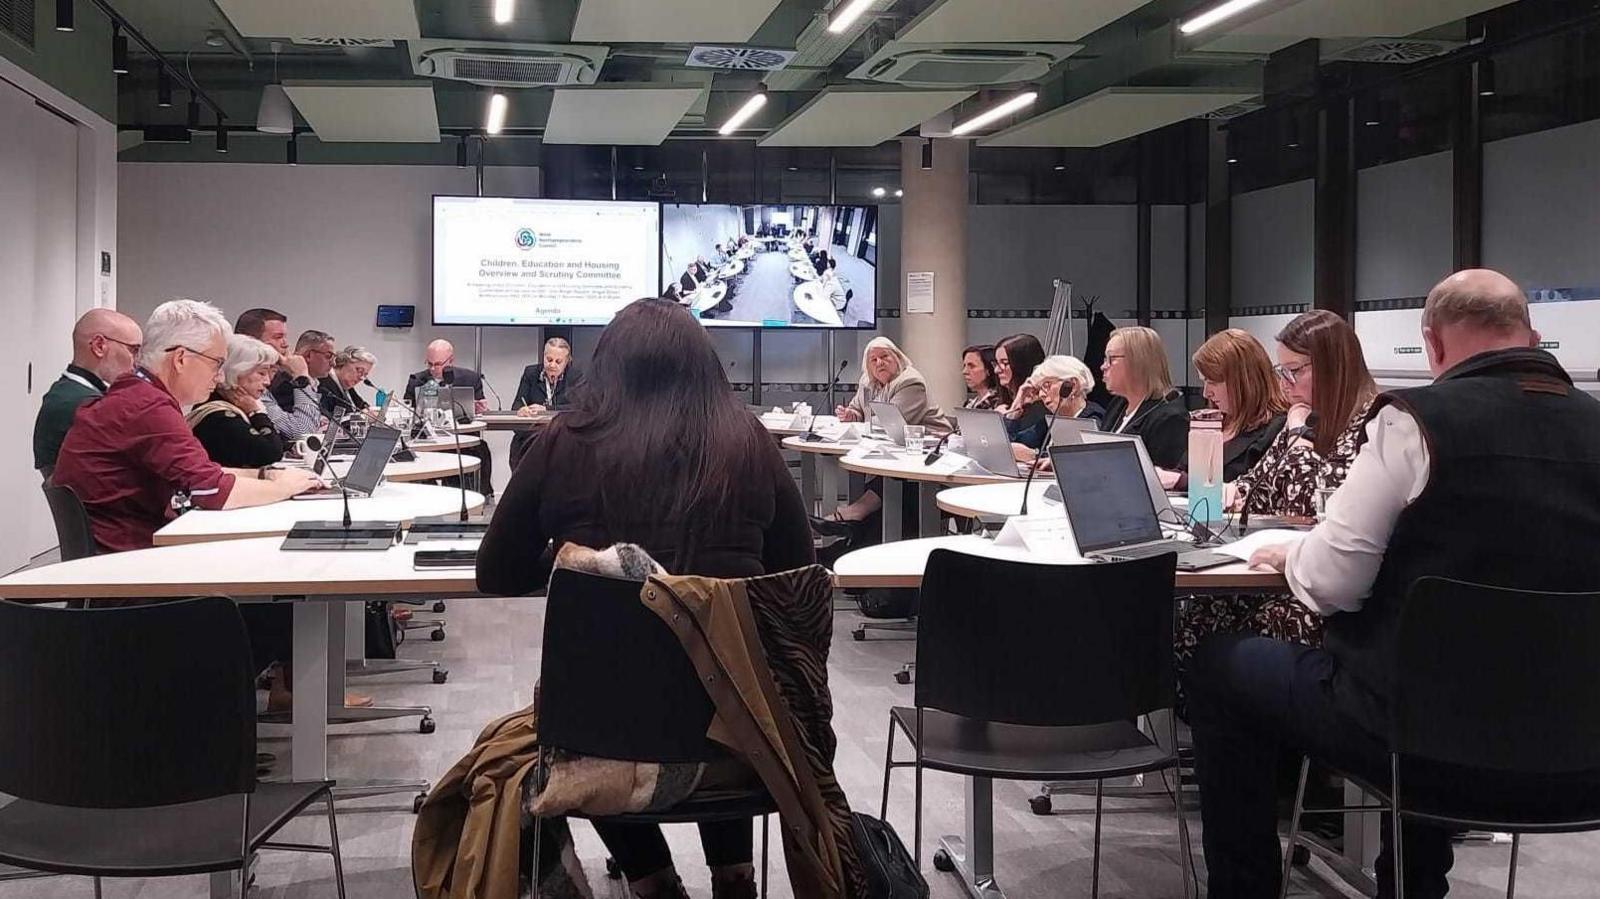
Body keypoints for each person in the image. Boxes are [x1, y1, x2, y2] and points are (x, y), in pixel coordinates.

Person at [1185, 269, 1600, 899]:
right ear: (1533, 334)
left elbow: (1331, 585)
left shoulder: (1414, 421)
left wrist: (1291, 555)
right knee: (1447, 660)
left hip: (1419, 746)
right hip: (1579, 753)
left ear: (1431, 343)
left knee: (1223, 664)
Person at [477, 298, 813, 899]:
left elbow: (496, 571)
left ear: (603, 367)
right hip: (741, 730)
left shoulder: (562, 442)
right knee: (719, 660)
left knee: (586, 698)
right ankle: (734, 876)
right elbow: (796, 574)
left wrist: (575, 561)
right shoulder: (749, 442)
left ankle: (650, 877)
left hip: (599, 733)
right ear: (705, 365)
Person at [52, 299, 318, 553]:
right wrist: (288, 487)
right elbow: (212, 491)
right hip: (132, 570)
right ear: (180, 358)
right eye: (217, 363)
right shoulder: (147, 405)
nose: (221, 376)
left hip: (127, 553)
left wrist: (264, 476)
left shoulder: (136, 394)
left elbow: (204, 474)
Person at [1229, 310, 1378, 521]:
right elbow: (1257, 486)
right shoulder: (1308, 414)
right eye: (1281, 372)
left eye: (1293, 370)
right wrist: (1235, 492)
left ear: (1331, 368)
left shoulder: (1372, 425)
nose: (1284, 385)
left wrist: (1299, 437)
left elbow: (1312, 510)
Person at [821, 337, 950, 527]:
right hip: (896, 445)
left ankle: (857, 514)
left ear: (897, 358)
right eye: (873, 360)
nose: (879, 363)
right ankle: (857, 526)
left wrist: (861, 420)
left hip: (931, 448)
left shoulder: (910, 382)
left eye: (884, 356)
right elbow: (858, 408)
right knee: (880, 472)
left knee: (888, 474)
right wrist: (851, 414)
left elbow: (891, 423)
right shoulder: (867, 381)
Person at [1159, 329, 1288, 489]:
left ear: (1244, 381)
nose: (1206, 393)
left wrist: (1181, 481)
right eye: (1204, 382)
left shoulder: (1278, 429)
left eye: (1213, 382)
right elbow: (1185, 470)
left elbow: (1250, 491)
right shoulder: (1212, 421)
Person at [33, 308, 143, 476]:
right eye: (134, 350)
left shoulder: (63, 394)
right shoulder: (86, 406)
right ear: (99, 346)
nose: (137, 362)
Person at [406, 339, 494, 497]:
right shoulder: (416, 380)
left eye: (438, 364)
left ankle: (480, 497)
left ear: (451, 361)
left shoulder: (470, 378)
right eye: (429, 363)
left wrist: (480, 409)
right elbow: (408, 412)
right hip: (429, 442)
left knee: (481, 449)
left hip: (461, 439)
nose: (433, 369)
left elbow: (479, 411)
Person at [187, 334, 287, 468]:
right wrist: (256, 413)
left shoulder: (223, 404)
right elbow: (271, 453)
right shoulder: (220, 417)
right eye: (261, 373)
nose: (267, 382)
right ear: (236, 372)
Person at [1099, 326, 1189, 469]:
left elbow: (1162, 479)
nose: (1103, 366)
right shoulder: (1119, 403)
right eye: (1105, 359)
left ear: (1138, 362)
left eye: (1111, 359)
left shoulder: (1170, 417)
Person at [234, 308, 321, 440]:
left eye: (285, 337)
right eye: (278, 337)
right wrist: (301, 377)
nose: (286, 344)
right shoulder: (244, 383)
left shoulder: (273, 379)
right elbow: (303, 433)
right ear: (252, 342)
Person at [1008, 354, 1103, 464]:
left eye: (1046, 385)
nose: (1042, 395)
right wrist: (1016, 407)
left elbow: (1080, 459)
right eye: (1039, 389)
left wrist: (1035, 455)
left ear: (1072, 386)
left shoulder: (1094, 419)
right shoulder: (1050, 422)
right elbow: (1010, 445)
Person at [996, 333, 1048, 447]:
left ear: (1022, 364)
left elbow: (1006, 446)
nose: (996, 370)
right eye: (996, 363)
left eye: (1004, 363)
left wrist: (1006, 420)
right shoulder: (1002, 403)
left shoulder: (1042, 410)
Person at [273, 329, 335, 415]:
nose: (333, 363)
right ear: (308, 355)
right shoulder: (285, 385)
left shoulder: (321, 386)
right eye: (328, 356)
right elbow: (301, 427)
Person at [323, 346, 376, 414]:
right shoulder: (324, 384)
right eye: (359, 370)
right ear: (344, 362)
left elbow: (363, 406)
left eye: (365, 375)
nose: (361, 378)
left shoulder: (346, 385)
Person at [960, 344, 1002, 411]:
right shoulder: (969, 404)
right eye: (964, 366)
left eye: (972, 366)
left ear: (988, 369)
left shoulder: (999, 403)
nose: (964, 372)